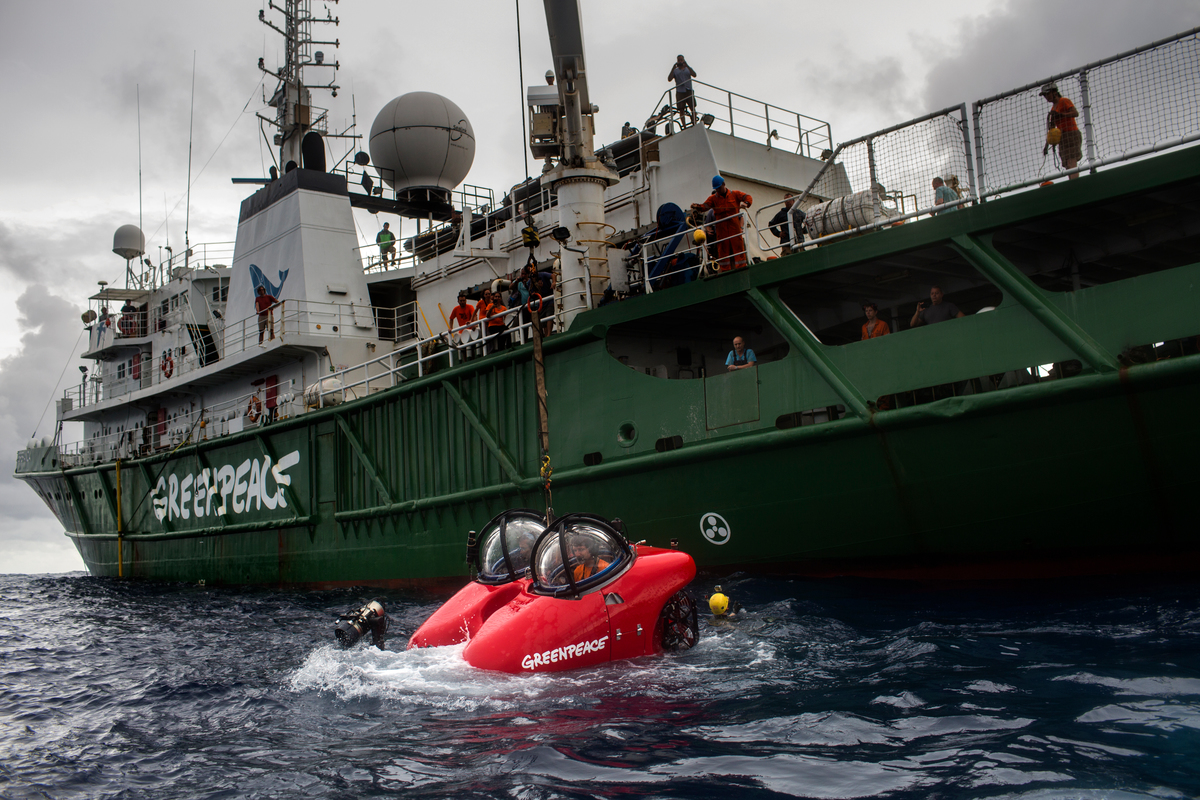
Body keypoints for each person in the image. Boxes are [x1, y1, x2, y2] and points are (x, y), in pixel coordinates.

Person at [692, 176, 752, 271]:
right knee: (723, 252)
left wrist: (746, 203)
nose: (718, 190)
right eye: (716, 189)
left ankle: (742, 269)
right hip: (721, 231)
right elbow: (705, 206)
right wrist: (697, 207)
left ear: (724, 184)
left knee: (738, 249)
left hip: (734, 229)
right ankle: (725, 271)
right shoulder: (713, 199)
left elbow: (747, 197)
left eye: (719, 188)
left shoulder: (735, 194)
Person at [1040, 83, 1082, 179]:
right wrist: (1047, 145)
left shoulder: (1064, 101)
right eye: (1045, 95)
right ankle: (1072, 181)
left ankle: (1075, 182)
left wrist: (1061, 115)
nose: (1046, 97)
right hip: (1062, 137)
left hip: (1071, 134)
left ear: (1055, 92)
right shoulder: (1053, 108)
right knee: (1067, 163)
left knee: (1071, 160)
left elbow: (1075, 113)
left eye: (1048, 94)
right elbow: (1052, 127)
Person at [668, 55, 698, 127]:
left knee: (692, 107)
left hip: (688, 90)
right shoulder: (675, 71)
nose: (680, 61)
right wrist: (673, 68)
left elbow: (694, 74)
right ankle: (684, 125)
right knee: (681, 109)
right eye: (679, 60)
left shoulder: (687, 69)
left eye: (681, 60)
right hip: (680, 91)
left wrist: (687, 65)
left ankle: (694, 122)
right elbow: (669, 79)